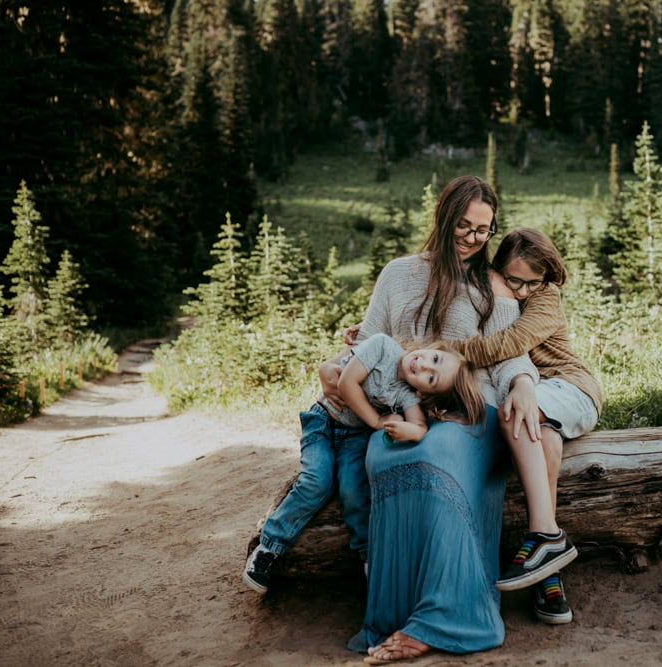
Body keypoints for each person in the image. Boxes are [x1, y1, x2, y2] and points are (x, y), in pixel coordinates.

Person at [322, 175, 541, 664]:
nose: (472, 238)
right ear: (443, 218)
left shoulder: (492, 286)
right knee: (387, 452)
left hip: (470, 411)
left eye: (483, 231)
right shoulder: (397, 274)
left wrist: (524, 385)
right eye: (463, 225)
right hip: (407, 409)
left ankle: (446, 619)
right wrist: (336, 372)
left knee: (437, 453)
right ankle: (396, 616)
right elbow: (370, 345)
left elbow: (509, 355)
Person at [243, 332, 485, 594]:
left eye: (431, 378)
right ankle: (268, 547)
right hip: (324, 420)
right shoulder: (382, 346)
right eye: (434, 358)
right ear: (433, 347)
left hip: (354, 436)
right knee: (316, 480)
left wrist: (415, 431)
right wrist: (377, 422)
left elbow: (419, 425)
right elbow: (347, 383)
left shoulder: (407, 395)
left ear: (423, 391)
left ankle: (369, 559)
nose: (424, 365)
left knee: (354, 490)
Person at [448, 227, 603, 625]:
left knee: (515, 413)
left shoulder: (546, 298)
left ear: (547, 277)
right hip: (539, 396)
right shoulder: (491, 289)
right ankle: (547, 570)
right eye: (513, 280)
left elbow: (509, 344)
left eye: (530, 282)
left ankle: (546, 540)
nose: (520, 290)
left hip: (569, 387)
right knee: (544, 442)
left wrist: (447, 351)